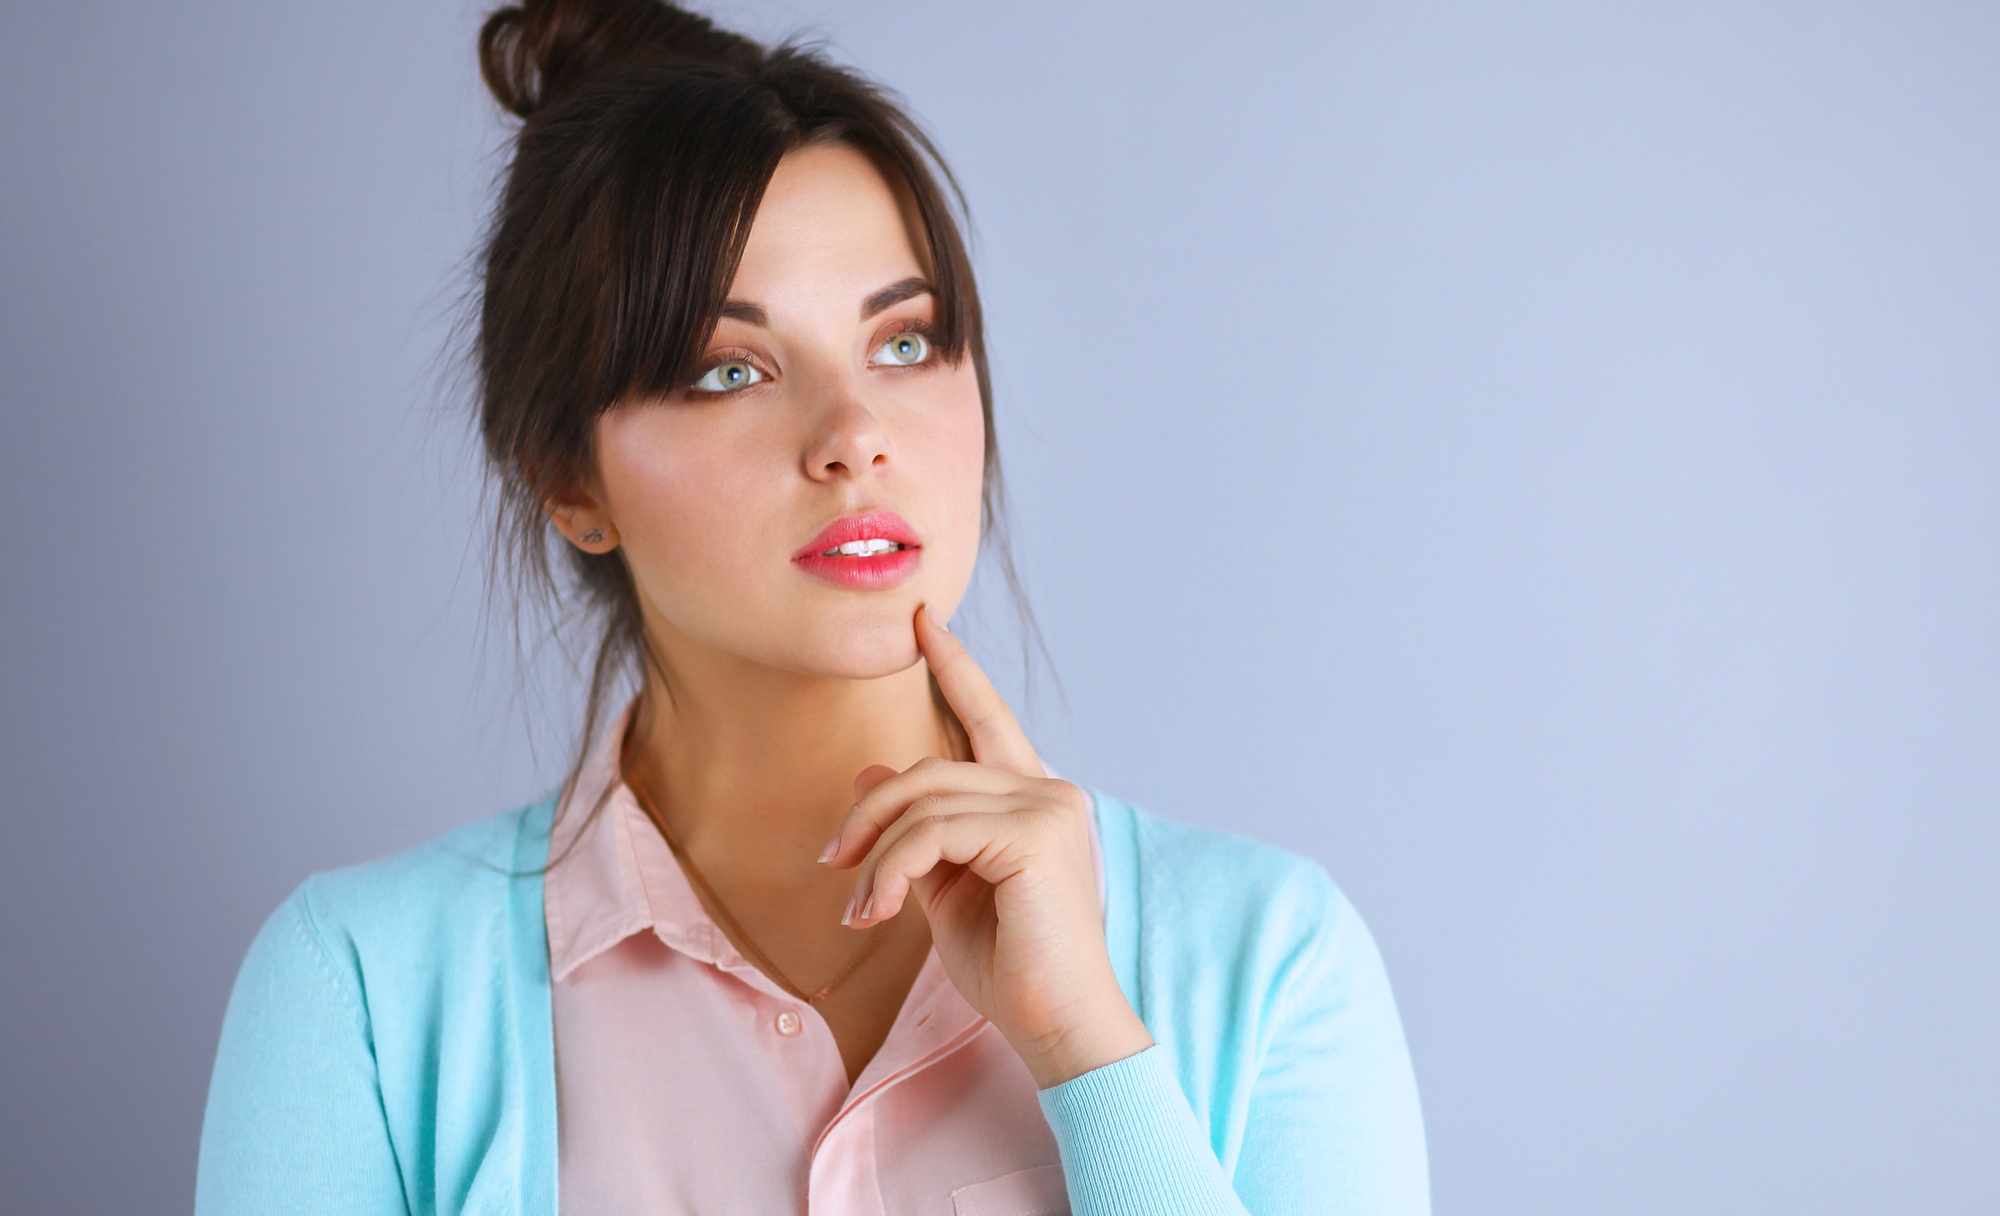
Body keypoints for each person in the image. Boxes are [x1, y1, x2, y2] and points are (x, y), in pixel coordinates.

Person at [193, 2, 1429, 1212]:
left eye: (904, 345)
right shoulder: (357, 992)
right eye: (730, 370)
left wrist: (1090, 1054)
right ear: (572, 485)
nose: (853, 438)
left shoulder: (1270, 958)